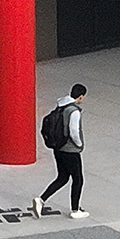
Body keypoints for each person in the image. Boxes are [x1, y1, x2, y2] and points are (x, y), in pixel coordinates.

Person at [34, 84, 88, 219]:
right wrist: (79, 145)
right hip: (70, 150)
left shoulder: (61, 106)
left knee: (63, 177)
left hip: (58, 148)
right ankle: (75, 210)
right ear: (80, 97)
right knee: (78, 179)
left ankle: (41, 200)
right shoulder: (73, 111)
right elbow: (74, 131)